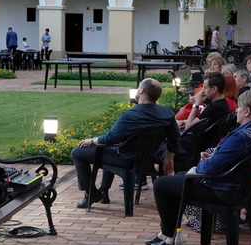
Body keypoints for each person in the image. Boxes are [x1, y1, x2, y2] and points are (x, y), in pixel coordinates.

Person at [146, 89, 251, 245]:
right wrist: (213, 157)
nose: (236, 111)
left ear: (247, 111)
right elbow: (232, 159)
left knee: (162, 184)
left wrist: (198, 167)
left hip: (222, 190)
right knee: (177, 179)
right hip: (237, 187)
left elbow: (211, 168)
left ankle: (169, 237)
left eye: (239, 108)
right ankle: (165, 234)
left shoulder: (241, 137)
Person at [71, 78, 179, 208]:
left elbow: (110, 139)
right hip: (149, 159)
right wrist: (169, 158)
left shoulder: (130, 115)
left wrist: (93, 140)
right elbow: (175, 137)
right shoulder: (166, 112)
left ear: (142, 90)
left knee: (77, 152)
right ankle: (103, 191)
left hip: (127, 159)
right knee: (109, 150)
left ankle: (91, 193)